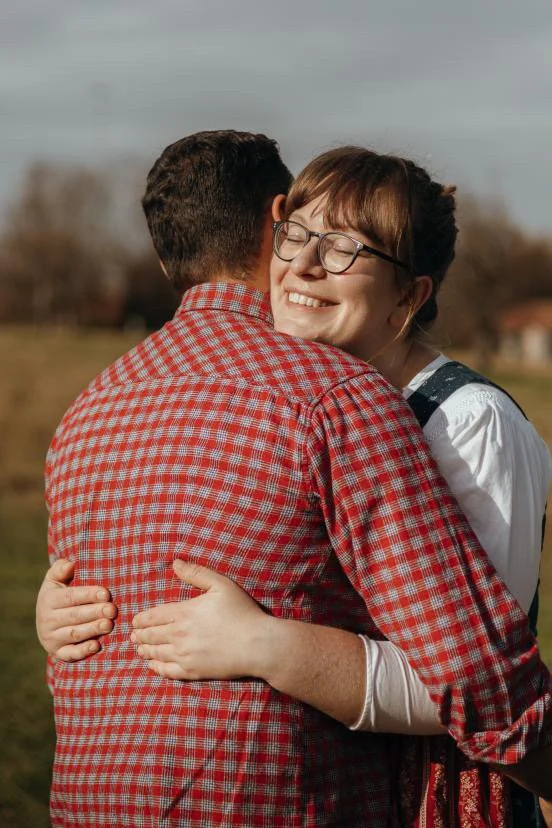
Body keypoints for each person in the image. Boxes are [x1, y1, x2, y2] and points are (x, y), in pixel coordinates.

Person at [39, 134, 552, 827]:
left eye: (345, 248)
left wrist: (264, 644)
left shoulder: (467, 420)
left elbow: (474, 677)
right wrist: (68, 609)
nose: (306, 265)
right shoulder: (322, 401)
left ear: (409, 296)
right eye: (297, 235)